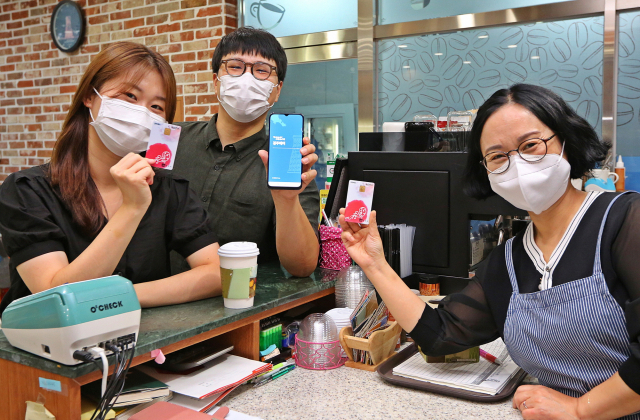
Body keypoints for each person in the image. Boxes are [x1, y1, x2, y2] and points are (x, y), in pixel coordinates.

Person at [340, 84, 640, 419]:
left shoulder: (626, 221)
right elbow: (441, 336)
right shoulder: (507, 261)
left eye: (531, 145)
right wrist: (374, 264)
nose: (518, 164)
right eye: (498, 156)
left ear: (567, 141)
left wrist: (581, 409)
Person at [0, 42, 221, 315]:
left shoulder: (169, 188)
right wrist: (132, 207)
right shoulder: (28, 191)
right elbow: (55, 297)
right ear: (89, 97)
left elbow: (216, 273)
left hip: (138, 348)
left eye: (156, 106)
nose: (142, 112)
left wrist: (123, 296)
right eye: (129, 95)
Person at [172, 27, 320, 278]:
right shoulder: (171, 138)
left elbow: (302, 266)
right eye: (235, 66)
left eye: (262, 70)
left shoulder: (286, 166)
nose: (247, 78)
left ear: (277, 89)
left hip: (237, 305)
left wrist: (286, 200)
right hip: (149, 300)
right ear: (215, 80)